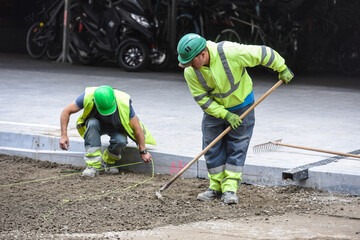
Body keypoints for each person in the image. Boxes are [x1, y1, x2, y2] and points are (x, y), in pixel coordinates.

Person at [177, 33, 294, 204]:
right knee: (211, 146)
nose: (190, 66)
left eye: (192, 61)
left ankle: (230, 188)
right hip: (214, 111)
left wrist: (281, 67)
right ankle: (215, 186)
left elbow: (262, 53)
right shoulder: (190, 71)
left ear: (203, 54)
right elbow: (202, 99)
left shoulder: (229, 52)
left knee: (237, 146)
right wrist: (225, 114)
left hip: (242, 105)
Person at [59, 85, 156, 178]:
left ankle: (108, 161)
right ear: (95, 102)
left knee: (121, 141)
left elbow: (137, 128)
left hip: (116, 125)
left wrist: (143, 151)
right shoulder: (87, 96)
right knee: (92, 124)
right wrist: (64, 136)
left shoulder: (124, 101)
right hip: (96, 124)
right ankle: (92, 166)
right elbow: (66, 111)